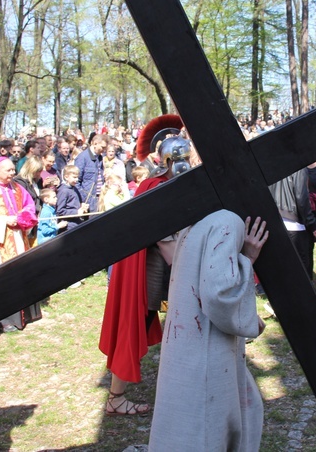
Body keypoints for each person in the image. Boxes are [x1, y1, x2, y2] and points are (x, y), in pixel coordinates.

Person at [148, 212, 268, 451]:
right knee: (206, 429)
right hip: (206, 344)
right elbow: (218, 295)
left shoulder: (194, 220)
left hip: (186, 344)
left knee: (188, 422)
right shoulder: (227, 222)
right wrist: (249, 258)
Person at [99, 114, 189, 416]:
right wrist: (190, 265)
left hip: (164, 266)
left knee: (176, 322)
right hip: (152, 269)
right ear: (167, 161)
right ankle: (115, 397)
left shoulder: (166, 182)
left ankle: (182, 380)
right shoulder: (154, 186)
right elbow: (165, 239)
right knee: (134, 325)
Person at [0, 156, 40, 333]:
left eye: (13, 170)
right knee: (1, 277)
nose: (12, 173)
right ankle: (3, 320)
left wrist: (21, 218)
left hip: (18, 237)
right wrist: (4, 221)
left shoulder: (18, 189)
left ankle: (25, 314)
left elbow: (29, 208)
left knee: (20, 273)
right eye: (8, 170)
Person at [75, 133, 108, 208]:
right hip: (88, 199)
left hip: (99, 198)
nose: (104, 150)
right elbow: (76, 181)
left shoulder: (100, 158)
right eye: (102, 147)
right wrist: (84, 198)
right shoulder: (82, 158)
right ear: (95, 143)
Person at [56, 165, 90, 231]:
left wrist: (81, 205)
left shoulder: (74, 188)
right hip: (68, 225)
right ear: (66, 177)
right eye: (74, 177)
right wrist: (76, 212)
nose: (76, 180)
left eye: (77, 177)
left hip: (77, 222)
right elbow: (60, 211)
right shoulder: (63, 191)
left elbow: (74, 203)